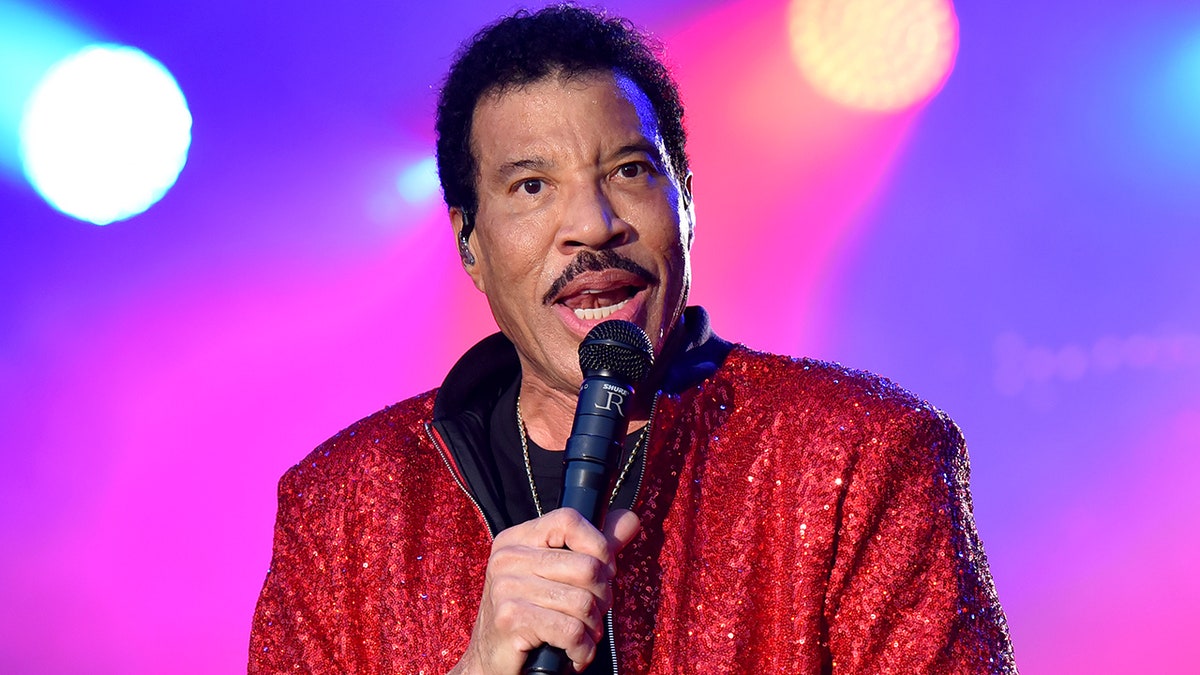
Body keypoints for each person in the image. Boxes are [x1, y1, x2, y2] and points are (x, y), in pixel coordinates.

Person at [249, 5, 1017, 674]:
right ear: (469, 244)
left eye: (627, 170)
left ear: (687, 202)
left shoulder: (856, 457)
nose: (592, 225)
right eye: (532, 186)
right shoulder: (342, 508)